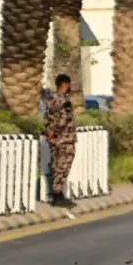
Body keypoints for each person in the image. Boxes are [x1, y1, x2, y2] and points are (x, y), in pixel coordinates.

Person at [45, 73, 76, 207]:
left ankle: (58, 194)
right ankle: (57, 195)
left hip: (55, 138)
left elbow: (49, 118)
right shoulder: (65, 100)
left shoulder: (51, 98)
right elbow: (63, 120)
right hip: (64, 138)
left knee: (57, 165)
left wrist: (50, 133)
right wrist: (56, 133)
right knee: (63, 166)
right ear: (66, 85)